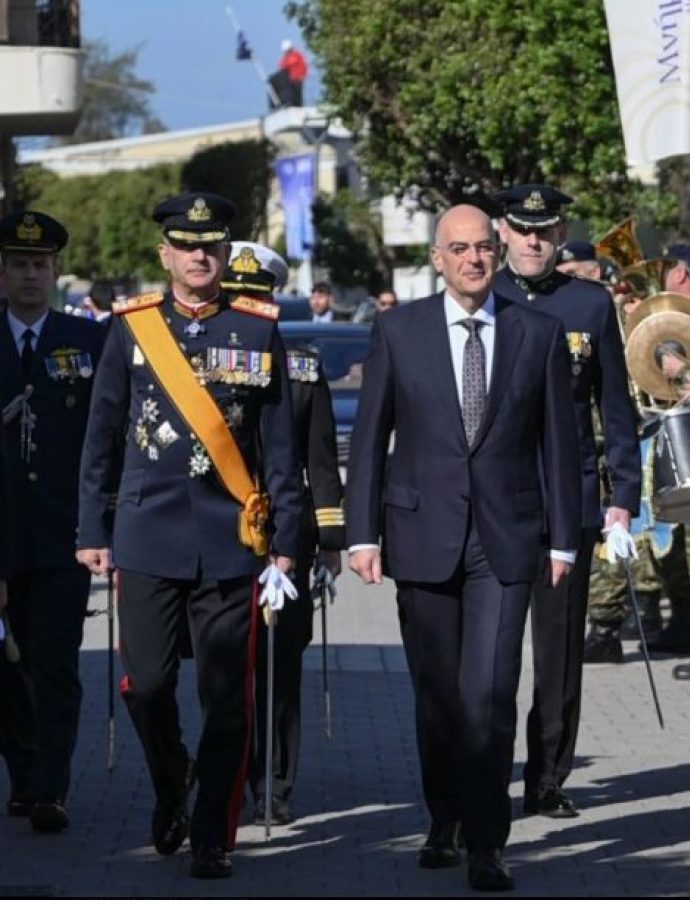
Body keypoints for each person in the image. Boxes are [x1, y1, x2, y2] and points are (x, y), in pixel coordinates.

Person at [345, 204, 581, 892]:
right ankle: (442, 819)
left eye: (484, 247)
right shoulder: (398, 330)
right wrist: (362, 533)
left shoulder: (537, 333)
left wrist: (563, 539)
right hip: (420, 536)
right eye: (460, 248)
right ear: (438, 259)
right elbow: (370, 438)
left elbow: (559, 447)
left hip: (507, 542)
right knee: (438, 697)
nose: (474, 258)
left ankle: (488, 842)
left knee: (490, 692)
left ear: (498, 254)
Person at [76, 192, 304, 880]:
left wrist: (288, 539)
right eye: (187, 244)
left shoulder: (259, 329)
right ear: (165, 253)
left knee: (226, 699)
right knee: (146, 687)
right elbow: (102, 435)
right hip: (146, 536)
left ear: (224, 253)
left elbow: (280, 450)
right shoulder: (131, 329)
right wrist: (93, 525)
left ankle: (212, 834)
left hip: (231, 541)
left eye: (212, 245)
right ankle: (174, 782)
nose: (200, 255)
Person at [492, 185, 640, 819]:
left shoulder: (590, 304)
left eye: (545, 231)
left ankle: (548, 778)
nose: (533, 241)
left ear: (560, 233)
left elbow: (616, 407)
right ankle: (484, 773)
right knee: (491, 654)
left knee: (559, 654)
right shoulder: (482, 296)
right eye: (523, 230)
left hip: (566, 500)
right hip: (494, 503)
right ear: (503, 231)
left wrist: (623, 496)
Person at [221, 241, 345, 826]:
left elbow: (320, 463)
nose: (249, 311)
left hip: (285, 541)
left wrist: (331, 544)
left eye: (259, 301)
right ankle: (227, 771)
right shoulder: (204, 366)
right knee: (225, 669)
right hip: (218, 537)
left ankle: (274, 782)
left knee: (280, 669)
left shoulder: (300, 367)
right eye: (237, 301)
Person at [0, 211, 105, 834]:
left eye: (41, 265)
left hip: (63, 536)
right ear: (3, 272)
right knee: (5, 666)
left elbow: (105, 439)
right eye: (19, 264)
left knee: (54, 662)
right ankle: (22, 768)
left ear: (56, 271)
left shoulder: (88, 341)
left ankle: (49, 787)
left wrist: (104, 526)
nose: (31, 275)